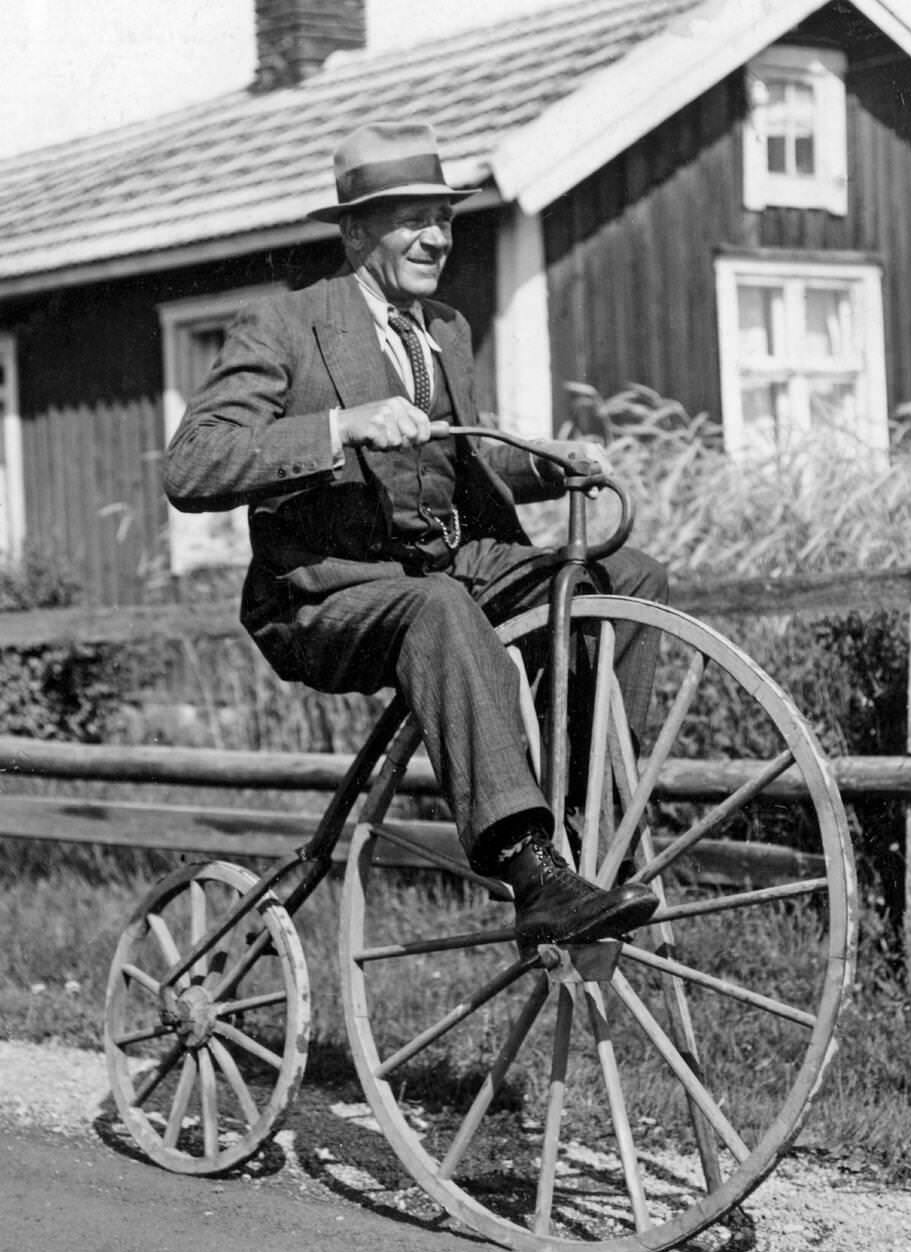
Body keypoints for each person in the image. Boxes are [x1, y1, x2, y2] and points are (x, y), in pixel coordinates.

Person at [164, 120, 668, 947]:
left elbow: (457, 467)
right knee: (436, 607)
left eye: (444, 216)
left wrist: (551, 465)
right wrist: (339, 426)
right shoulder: (283, 328)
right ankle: (529, 864)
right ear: (357, 230)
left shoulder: (447, 332)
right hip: (329, 593)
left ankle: (582, 821)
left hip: (447, 564)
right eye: (412, 218)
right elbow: (191, 468)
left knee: (625, 576)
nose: (437, 235)